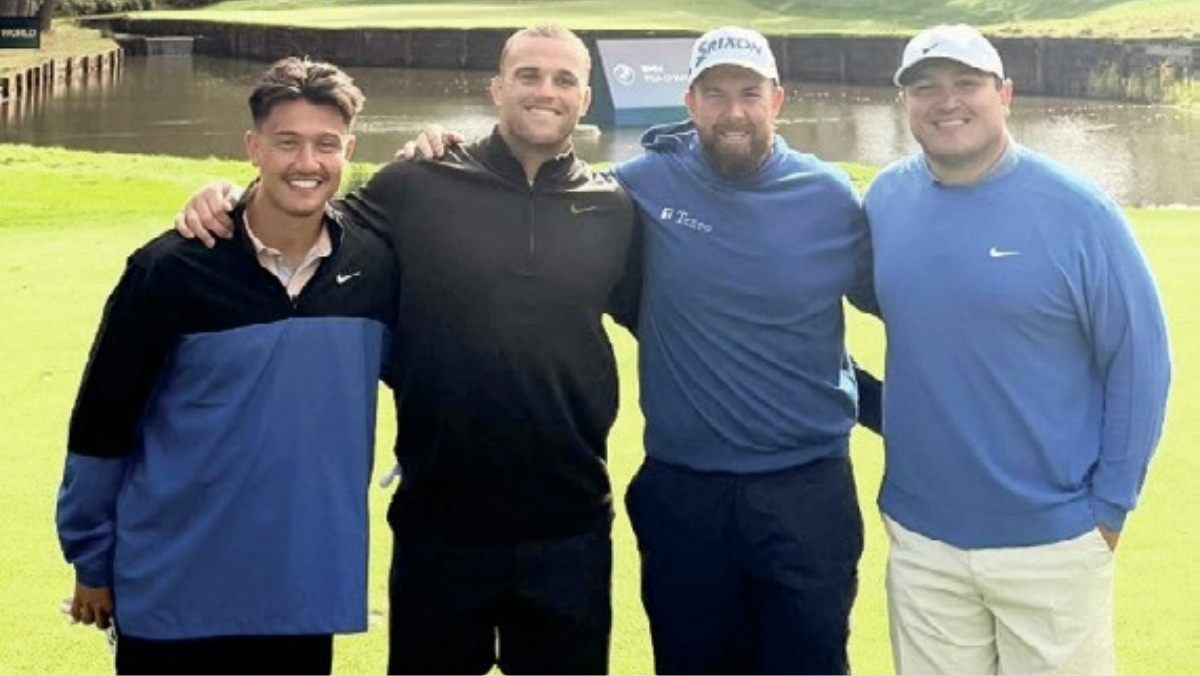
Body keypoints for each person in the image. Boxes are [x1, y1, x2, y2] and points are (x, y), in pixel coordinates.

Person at [176, 25, 638, 675]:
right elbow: (309, 224)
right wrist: (232, 197)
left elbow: (670, 320)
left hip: (571, 527)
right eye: (528, 75)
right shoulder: (420, 185)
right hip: (440, 525)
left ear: (585, 98)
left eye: (564, 79)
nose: (545, 91)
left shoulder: (613, 207)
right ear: (496, 89)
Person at [56, 57, 397, 675]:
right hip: (172, 590)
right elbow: (101, 426)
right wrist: (92, 562)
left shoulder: (375, 268)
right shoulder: (170, 269)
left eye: (326, 145)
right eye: (286, 143)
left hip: (301, 593)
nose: (307, 163)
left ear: (349, 149)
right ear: (253, 148)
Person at [863, 24, 1172, 675]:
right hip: (923, 541)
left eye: (967, 84)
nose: (947, 101)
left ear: (1005, 94)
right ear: (905, 104)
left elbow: (1141, 365)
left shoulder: (1080, 213)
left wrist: (1108, 513)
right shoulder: (885, 200)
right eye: (926, 88)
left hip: (1053, 544)